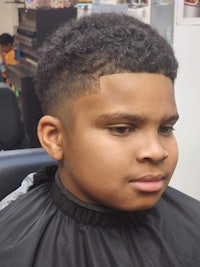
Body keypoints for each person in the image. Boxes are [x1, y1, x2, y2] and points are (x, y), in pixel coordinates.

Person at [0, 12, 200, 267]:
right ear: (54, 138)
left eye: (165, 128)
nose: (157, 151)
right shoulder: (9, 248)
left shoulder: (194, 229)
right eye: (121, 129)